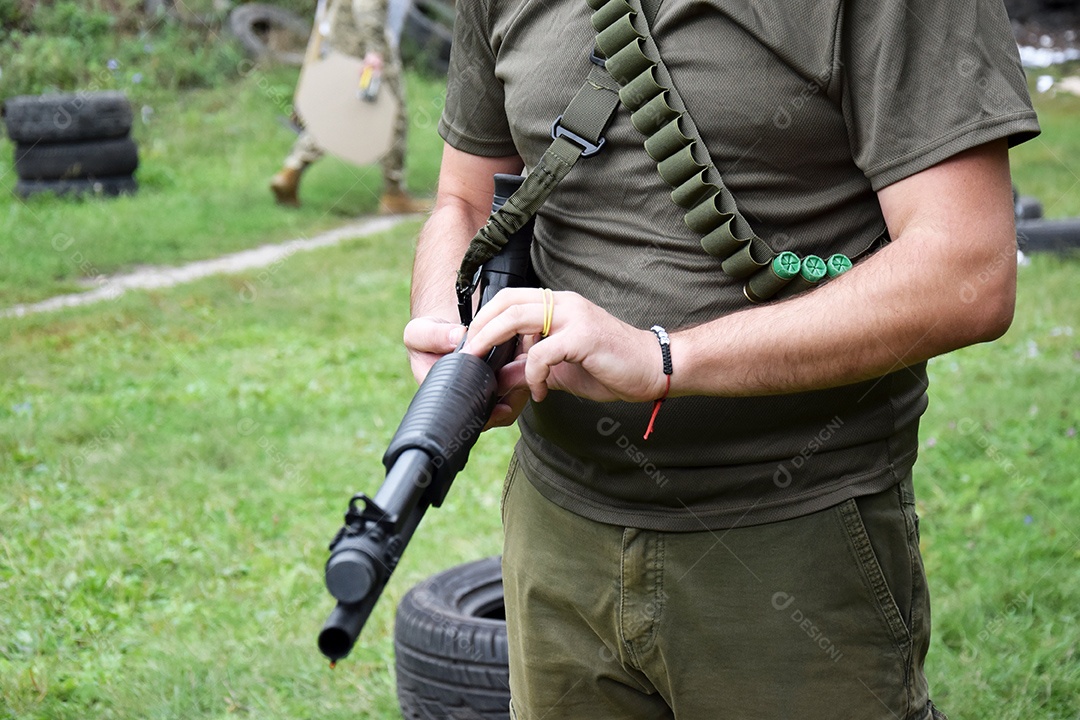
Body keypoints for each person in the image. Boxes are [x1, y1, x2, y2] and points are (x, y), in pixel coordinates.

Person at [406, 1, 1040, 717]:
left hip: (790, 535)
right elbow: (462, 196)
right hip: (555, 528)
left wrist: (665, 359)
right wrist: (443, 316)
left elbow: (968, 272)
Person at [269, 0, 427, 214]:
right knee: (393, 113)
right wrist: (375, 50)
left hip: (344, 36)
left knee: (340, 114)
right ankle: (394, 193)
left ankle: (292, 170)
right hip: (366, 43)